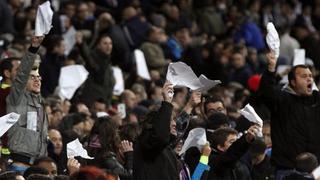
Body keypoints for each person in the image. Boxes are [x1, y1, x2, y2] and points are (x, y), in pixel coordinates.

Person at [259, 51, 320, 179]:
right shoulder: (282, 100)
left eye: (310, 76)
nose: (309, 78)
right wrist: (270, 70)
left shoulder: (317, 100)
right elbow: (266, 93)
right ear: (292, 82)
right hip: (287, 170)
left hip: (316, 170)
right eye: (304, 76)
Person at [6, 36, 47, 173]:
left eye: (39, 77)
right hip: (19, 165)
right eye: (32, 77)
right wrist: (33, 49)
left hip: (37, 166)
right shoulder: (16, 98)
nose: (37, 80)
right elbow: (22, 74)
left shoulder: (41, 104)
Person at [133, 82, 179, 180]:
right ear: (158, 122)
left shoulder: (167, 149)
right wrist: (167, 103)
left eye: (174, 119)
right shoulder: (147, 142)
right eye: (169, 120)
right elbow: (159, 137)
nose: (175, 123)